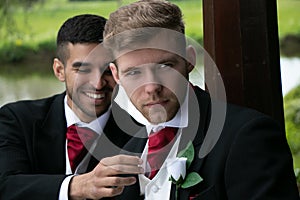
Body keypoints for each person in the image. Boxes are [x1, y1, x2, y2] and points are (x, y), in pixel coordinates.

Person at [103, 0, 300, 199]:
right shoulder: (127, 153)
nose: (152, 87)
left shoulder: (248, 136)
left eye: (165, 66)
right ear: (116, 75)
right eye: (134, 72)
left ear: (189, 59)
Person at [0, 14, 143, 200]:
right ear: (59, 70)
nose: (97, 84)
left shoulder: (140, 138)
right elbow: (5, 186)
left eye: (107, 71)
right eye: (83, 70)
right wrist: (78, 186)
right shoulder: (16, 119)